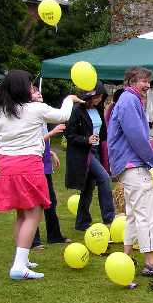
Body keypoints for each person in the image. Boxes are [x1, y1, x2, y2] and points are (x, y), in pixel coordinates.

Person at [0, 70, 81, 280]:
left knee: (21, 213)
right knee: (34, 213)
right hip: (28, 167)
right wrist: (68, 99)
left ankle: (22, 259)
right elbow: (64, 116)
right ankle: (18, 266)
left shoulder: (0, 111)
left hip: (7, 166)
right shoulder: (35, 109)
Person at [107, 66, 153, 276]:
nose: (148, 85)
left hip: (128, 165)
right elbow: (137, 137)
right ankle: (151, 263)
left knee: (134, 214)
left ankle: (127, 257)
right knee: (147, 214)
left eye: (148, 81)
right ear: (130, 82)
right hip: (133, 165)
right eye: (144, 81)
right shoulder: (129, 101)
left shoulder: (129, 100)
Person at [65, 81, 116, 231]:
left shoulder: (99, 109)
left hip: (96, 151)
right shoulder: (77, 110)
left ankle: (82, 222)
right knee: (105, 178)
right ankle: (109, 217)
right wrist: (86, 140)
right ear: (88, 96)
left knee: (88, 188)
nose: (99, 99)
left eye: (101, 97)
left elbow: (102, 132)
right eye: (96, 97)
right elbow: (69, 135)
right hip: (84, 153)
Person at [29, 88, 70, 248]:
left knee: (50, 201)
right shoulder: (29, 115)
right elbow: (32, 140)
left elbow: (41, 140)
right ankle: (33, 240)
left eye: (39, 92)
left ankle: (54, 235)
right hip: (33, 164)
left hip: (44, 162)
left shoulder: (41, 114)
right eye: (34, 92)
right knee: (34, 202)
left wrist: (50, 152)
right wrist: (53, 132)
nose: (39, 94)